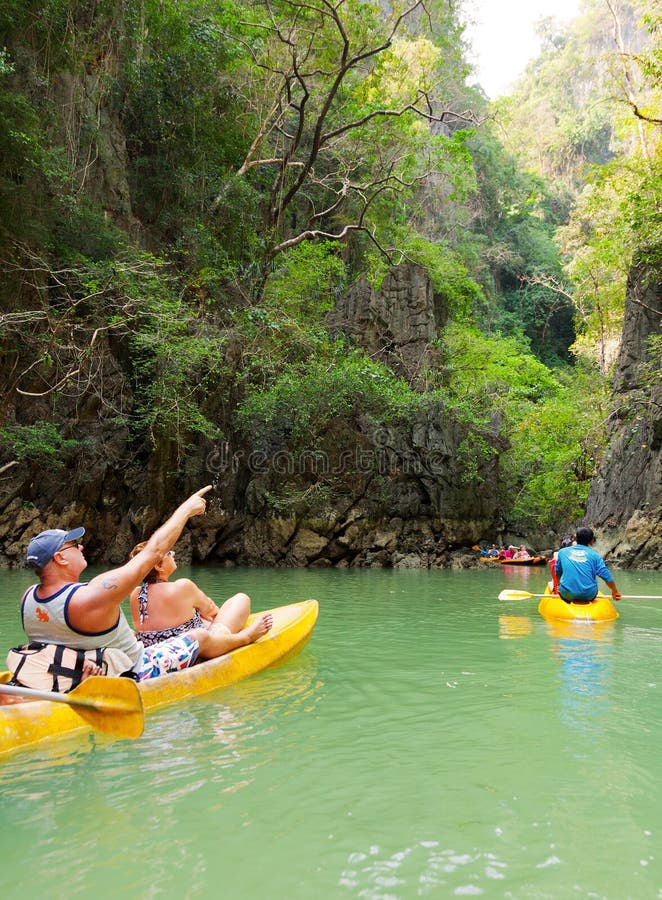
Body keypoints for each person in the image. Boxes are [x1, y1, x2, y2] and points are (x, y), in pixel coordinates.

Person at [16, 486, 271, 686]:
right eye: (73, 545)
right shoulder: (92, 596)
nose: (81, 547)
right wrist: (185, 510)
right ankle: (246, 637)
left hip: (83, 668)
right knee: (198, 636)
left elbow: (62, 640)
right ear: (60, 558)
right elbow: (153, 552)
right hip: (137, 669)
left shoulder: (28, 598)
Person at [128, 542, 271, 649]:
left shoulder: (136, 594)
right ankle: (240, 638)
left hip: (156, 650)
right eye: (168, 554)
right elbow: (213, 611)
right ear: (159, 567)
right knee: (241, 599)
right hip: (193, 649)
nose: (173, 553)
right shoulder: (183, 586)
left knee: (198, 614)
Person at [554, 526, 622, 604]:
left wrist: (559, 586)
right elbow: (607, 577)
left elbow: (558, 572)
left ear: (575, 539)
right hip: (589, 595)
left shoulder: (562, 552)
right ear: (592, 541)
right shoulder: (595, 555)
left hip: (566, 595)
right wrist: (615, 592)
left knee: (564, 589)